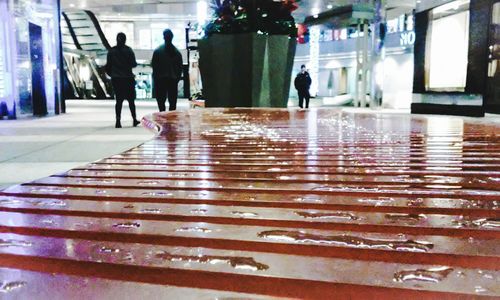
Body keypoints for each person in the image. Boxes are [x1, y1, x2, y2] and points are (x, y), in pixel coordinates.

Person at [105, 32, 140, 128]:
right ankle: (134, 119)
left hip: (116, 79)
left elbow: (107, 66)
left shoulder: (111, 51)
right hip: (128, 78)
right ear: (125, 40)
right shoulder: (128, 50)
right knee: (131, 101)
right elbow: (134, 64)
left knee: (119, 101)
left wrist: (112, 74)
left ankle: (118, 120)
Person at [151, 29, 183, 111]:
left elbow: (154, 66)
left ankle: (163, 118)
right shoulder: (177, 52)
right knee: (172, 103)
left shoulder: (158, 51)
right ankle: (170, 120)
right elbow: (180, 68)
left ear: (163, 37)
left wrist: (155, 78)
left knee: (161, 102)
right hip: (172, 79)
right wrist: (177, 78)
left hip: (161, 79)